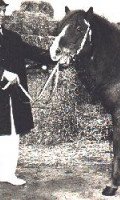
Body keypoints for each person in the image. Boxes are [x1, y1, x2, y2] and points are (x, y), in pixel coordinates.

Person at [0, 0, 54, 185]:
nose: (1, 13)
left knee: (11, 134)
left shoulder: (12, 37)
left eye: (3, 9)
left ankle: (7, 174)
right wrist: (3, 73)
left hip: (10, 98)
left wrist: (53, 55)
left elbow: (30, 51)